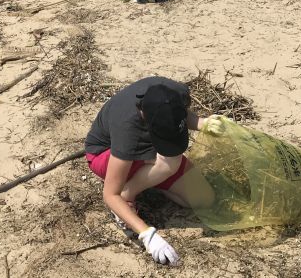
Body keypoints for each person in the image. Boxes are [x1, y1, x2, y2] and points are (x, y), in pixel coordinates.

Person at [84, 76, 215, 266]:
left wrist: (203, 123)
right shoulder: (128, 130)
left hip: (152, 151)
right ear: (146, 118)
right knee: (170, 162)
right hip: (105, 155)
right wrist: (147, 234)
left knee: (203, 197)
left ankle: (150, 177)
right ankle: (128, 193)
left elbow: (181, 115)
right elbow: (110, 195)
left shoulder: (176, 93)